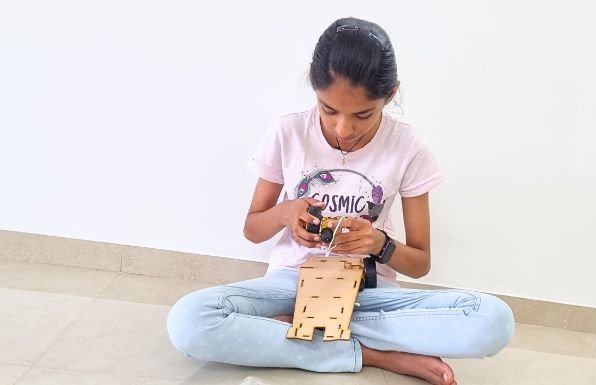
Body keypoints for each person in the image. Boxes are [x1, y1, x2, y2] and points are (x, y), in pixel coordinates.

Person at [167, 17, 514, 385]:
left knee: (492, 321)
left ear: (391, 94)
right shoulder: (288, 132)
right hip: (290, 284)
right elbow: (252, 230)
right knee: (188, 321)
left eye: (363, 114)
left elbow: (420, 264)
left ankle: (293, 333)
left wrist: (380, 245)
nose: (342, 129)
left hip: (369, 291)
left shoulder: (408, 146)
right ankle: (374, 354)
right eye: (328, 109)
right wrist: (285, 214)